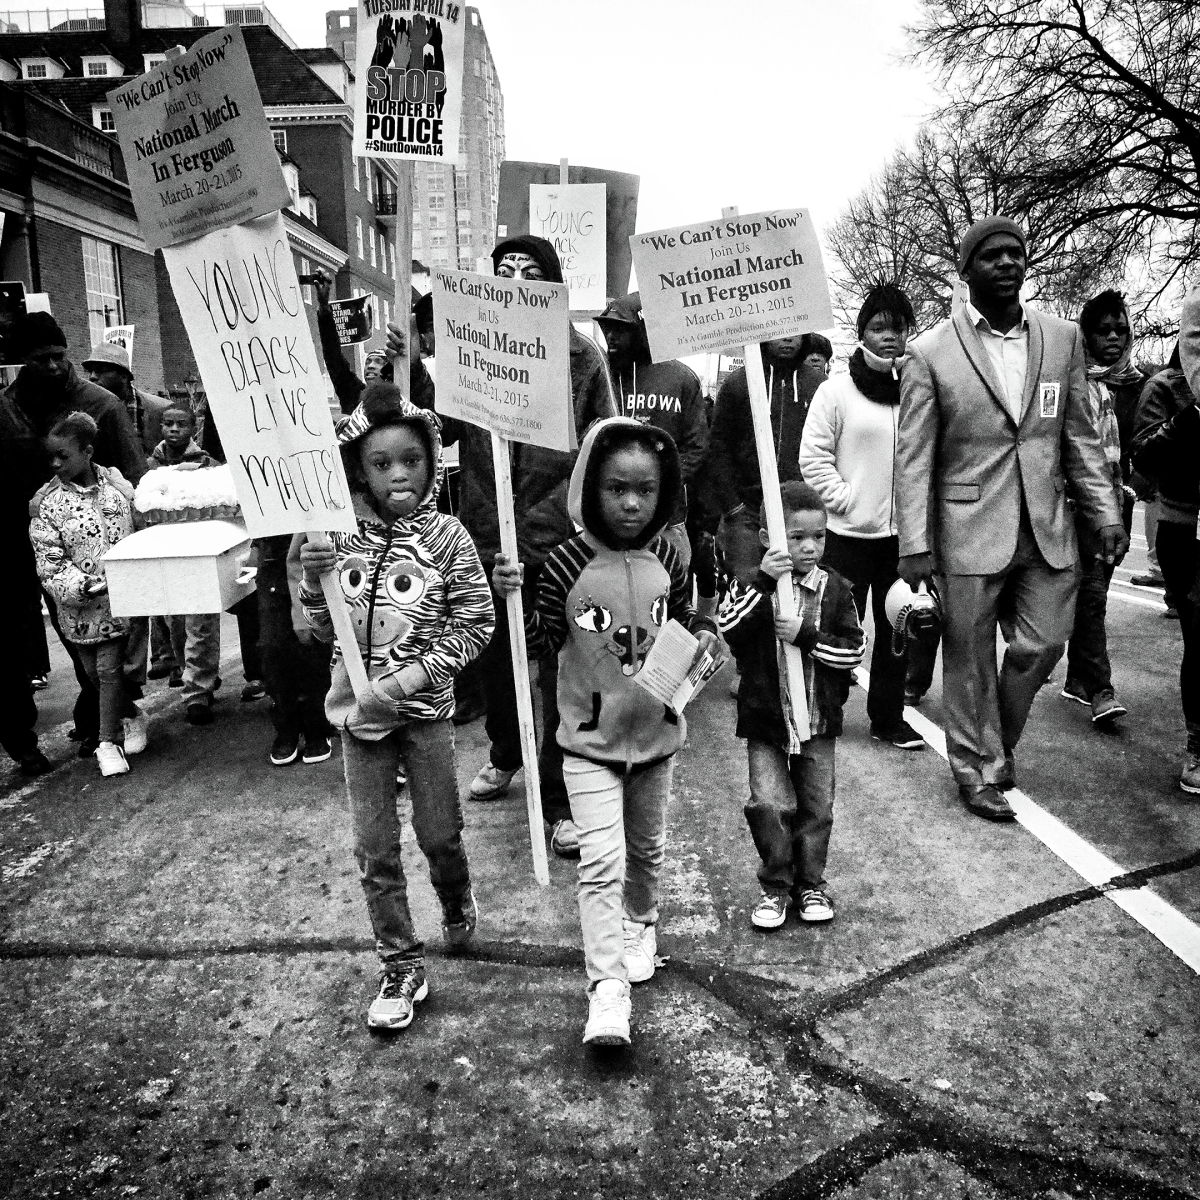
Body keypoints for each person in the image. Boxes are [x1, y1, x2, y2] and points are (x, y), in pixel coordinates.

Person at [493, 417, 722, 1047]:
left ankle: (641, 923)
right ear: (589, 487)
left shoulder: (671, 559)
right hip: (587, 744)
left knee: (645, 855)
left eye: (645, 490)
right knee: (601, 863)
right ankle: (607, 990)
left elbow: (684, 632)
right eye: (616, 488)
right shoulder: (564, 563)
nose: (630, 503)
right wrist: (505, 597)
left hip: (655, 742)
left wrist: (704, 645)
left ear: (663, 491)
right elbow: (541, 643)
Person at [896, 217, 1126, 822]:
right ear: (967, 269)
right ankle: (977, 770)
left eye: (1016, 254)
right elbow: (914, 456)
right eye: (991, 255)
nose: (1007, 263)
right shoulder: (929, 352)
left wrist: (1103, 511)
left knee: (1045, 641)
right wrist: (913, 542)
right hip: (965, 527)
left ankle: (988, 741)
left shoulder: (1061, 339)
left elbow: (1078, 437)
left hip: (1047, 526)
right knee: (967, 658)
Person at [300, 383, 494, 1033]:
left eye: (410, 459)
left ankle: (454, 892)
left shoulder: (447, 538)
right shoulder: (338, 536)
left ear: (431, 462)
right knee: (374, 848)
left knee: (439, 835)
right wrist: (312, 574)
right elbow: (319, 632)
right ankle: (401, 963)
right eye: (381, 464)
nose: (397, 474)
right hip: (358, 723)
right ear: (360, 467)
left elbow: (476, 624)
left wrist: (407, 681)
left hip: (425, 717)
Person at [444, 234, 616, 861]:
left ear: (552, 282)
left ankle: (559, 795)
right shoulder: (468, 347)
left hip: (555, 531)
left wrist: (569, 522)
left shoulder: (581, 358)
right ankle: (503, 752)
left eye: (530, 270)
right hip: (487, 529)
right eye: (504, 270)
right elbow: (444, 429)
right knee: (492, 652)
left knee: (555, 667)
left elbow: (600, 444)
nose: (515, 279)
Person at [719, 481, 864, 928]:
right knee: (768, 803)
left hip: (818, 721)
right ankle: (775, 886)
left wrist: (808, 637)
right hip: (765, 718)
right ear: (768, 539)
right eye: (797, 537)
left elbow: (853, 651)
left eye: (818, 536)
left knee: (817, 808)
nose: (809, 547)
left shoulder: (836, 589)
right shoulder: (751, 585)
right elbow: (729, 626)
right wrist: (763, 582)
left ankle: (811, 885)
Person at [3, 312, 146, 755]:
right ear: (22, 359)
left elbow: (134, 478)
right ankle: (21, 739)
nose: (52, 366)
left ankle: (100, 719)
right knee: (11, 645)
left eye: (59, 356)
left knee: (93, 645)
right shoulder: (6, 409)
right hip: (16, 541)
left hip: (84, 547)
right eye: (41, 358)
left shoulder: (101, 404)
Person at [799, 283, 925, 751]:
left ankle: (888, 719)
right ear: (862, 332)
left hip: (899, 541)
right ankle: (824, 710)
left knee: (898, 633)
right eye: (878, 327)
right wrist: (846, 499)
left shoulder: (916, 388)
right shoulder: (837, 390)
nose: (889, 337)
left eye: (898, 328)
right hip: (846, 538)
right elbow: (812, 459)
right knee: (836, 630)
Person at [29, 412, 144, 776]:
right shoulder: (47, 504)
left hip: (120, 601)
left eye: (64, 456)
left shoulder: (117, 490)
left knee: (109, 672)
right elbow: (48, 560)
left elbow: (139, 530)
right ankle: (132, 714)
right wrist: (80, 586)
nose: (55, 463)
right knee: (93, 675)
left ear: (88, 452)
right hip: (76, 609)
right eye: (51, 456)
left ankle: (108, 743)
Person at [1061, 291, 1143, 725]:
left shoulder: (1136, 387)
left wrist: (1129, 490)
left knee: (1095, 598)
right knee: (1090, 596)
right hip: (1076, 505)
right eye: (1103, 330)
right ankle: (1101, 689)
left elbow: (1141, 447)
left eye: (1120, 330)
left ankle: (1078, 678)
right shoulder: (1072, 379)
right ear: (1087, 335)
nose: (1113, 337)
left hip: (1119, 504)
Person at [595, 291, 709, 575]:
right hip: (607, 521)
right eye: (607, 329)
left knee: (669, 602)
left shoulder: (682, 378)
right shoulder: (600, 373)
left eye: (621, 330)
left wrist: (657, 485)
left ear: (645, 330)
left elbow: (697, 446)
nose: (611, 338)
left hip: (667, 521)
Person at [706, 333, 832, 585]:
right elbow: (718, 447)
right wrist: (733, 506)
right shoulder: (738, 383)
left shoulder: (820, 386)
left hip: (801, 515)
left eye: (793, 333)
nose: (787, 340)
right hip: (747, 513)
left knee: (803, 593)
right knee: (748, 591)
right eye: (778, 333)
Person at [1132, 337, 1200, 793]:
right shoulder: (1166, 387)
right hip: (1185, 526)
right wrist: (1190, 419)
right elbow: (1143, 453)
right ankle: (1199, 745)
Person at [145, 403, 224, 726]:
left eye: (180, 424)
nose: (173, 430)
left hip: (198, 552)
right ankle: (191, 672)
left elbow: (220, 498)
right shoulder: (150, 465)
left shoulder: (206, 463)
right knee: (175, 623)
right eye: (167, 424)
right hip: (165, 552)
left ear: (193, 427)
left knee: (201, 624)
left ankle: (197, 692)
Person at [312, 270, 432, 415]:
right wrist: (324, 310)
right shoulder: (354, 395)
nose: (371, 366)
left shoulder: (404, 399)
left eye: (378, 361)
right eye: (368, 362)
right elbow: (334, 359)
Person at [82, 341, 170, 457]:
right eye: (90, 371)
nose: (92, 377)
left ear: (124, 376)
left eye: (101, 370)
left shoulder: (161, 409)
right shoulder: (85, 409)